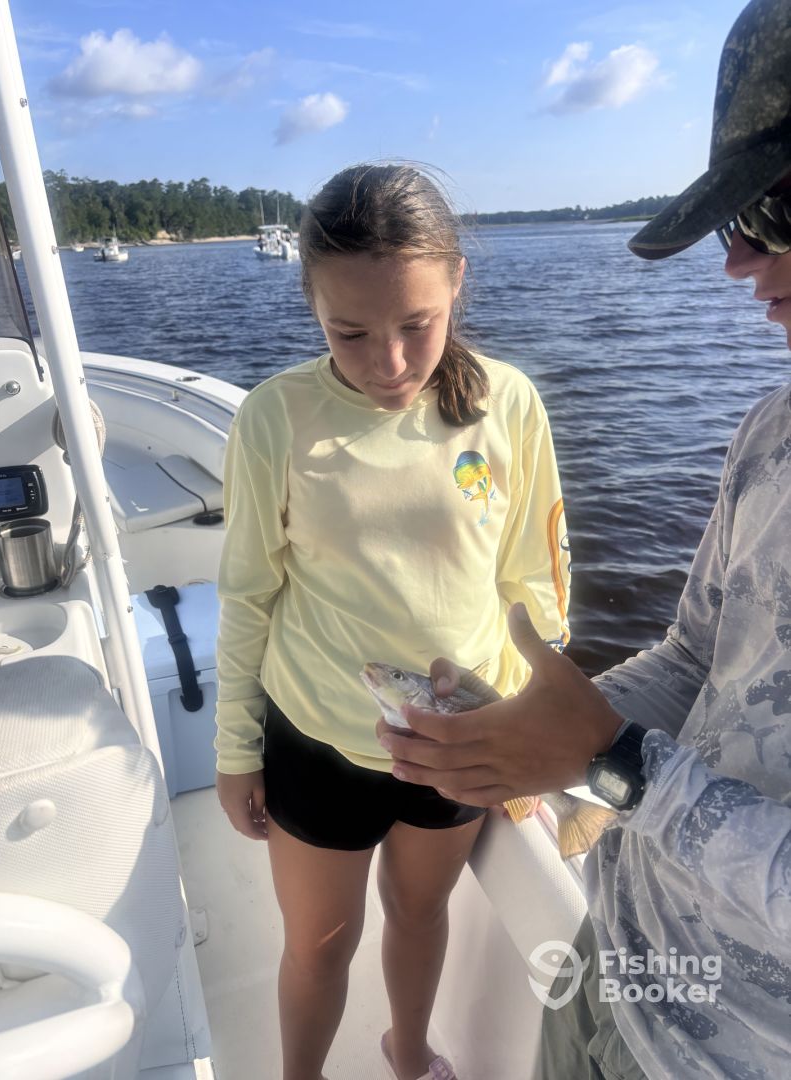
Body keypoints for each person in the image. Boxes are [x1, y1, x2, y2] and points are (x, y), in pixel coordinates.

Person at [377, 1, 791, 1077]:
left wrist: (612, 765)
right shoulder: (771, 431)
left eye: (776, 209)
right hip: (619, 957)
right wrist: (524, 727)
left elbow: (636, 769)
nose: (741, 263)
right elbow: (698, 659)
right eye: (737, 222)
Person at [214, 162, 571, 1080]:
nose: (391, 363)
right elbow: (248, 595)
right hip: (320, 738)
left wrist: (533, 732)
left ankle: (407, 1055)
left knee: (422, 912)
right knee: (318, 946)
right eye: (350, 333)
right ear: (311, 303)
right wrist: (236, 750)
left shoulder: (507, 403)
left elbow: (535, 583)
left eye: (418, 324)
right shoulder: (275, 417)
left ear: (457, 281)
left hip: (461, 741)